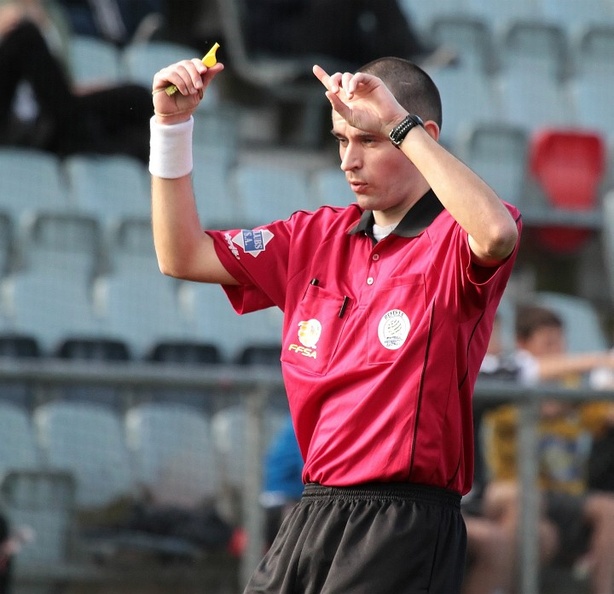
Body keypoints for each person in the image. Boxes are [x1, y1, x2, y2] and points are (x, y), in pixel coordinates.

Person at [149, 52, 521, 593]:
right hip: (313, 511)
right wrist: (172, 125)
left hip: (403, 522)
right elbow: (180, 255)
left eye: (368, 140)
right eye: (342, 140)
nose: (349, 161)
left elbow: (496, 237)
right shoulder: (312, 237)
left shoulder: (455, 236)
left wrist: (397, 124)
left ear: (421, 134)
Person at [481, 303, 614, 594]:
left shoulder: (572, 385)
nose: (558, 348)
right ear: (523, 345)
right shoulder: (509, 384)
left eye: (560, 340)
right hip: (520, 490)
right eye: (548, 342)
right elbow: (546, 407)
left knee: (608, 509)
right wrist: (597, 366)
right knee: (541, 529)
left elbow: (605, 416)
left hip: (568, 497)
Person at [0, 0, 152, 162]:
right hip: (10, 115)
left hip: (49, 112)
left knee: (138, 97)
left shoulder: (55, 15)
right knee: (25, 36)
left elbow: (58, 77)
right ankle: (82, 137)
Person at [245, 0, 457, 72]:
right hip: (285, 37)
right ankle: (410, 51)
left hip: (318, 32)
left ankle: (404, 55)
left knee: (371, 39)